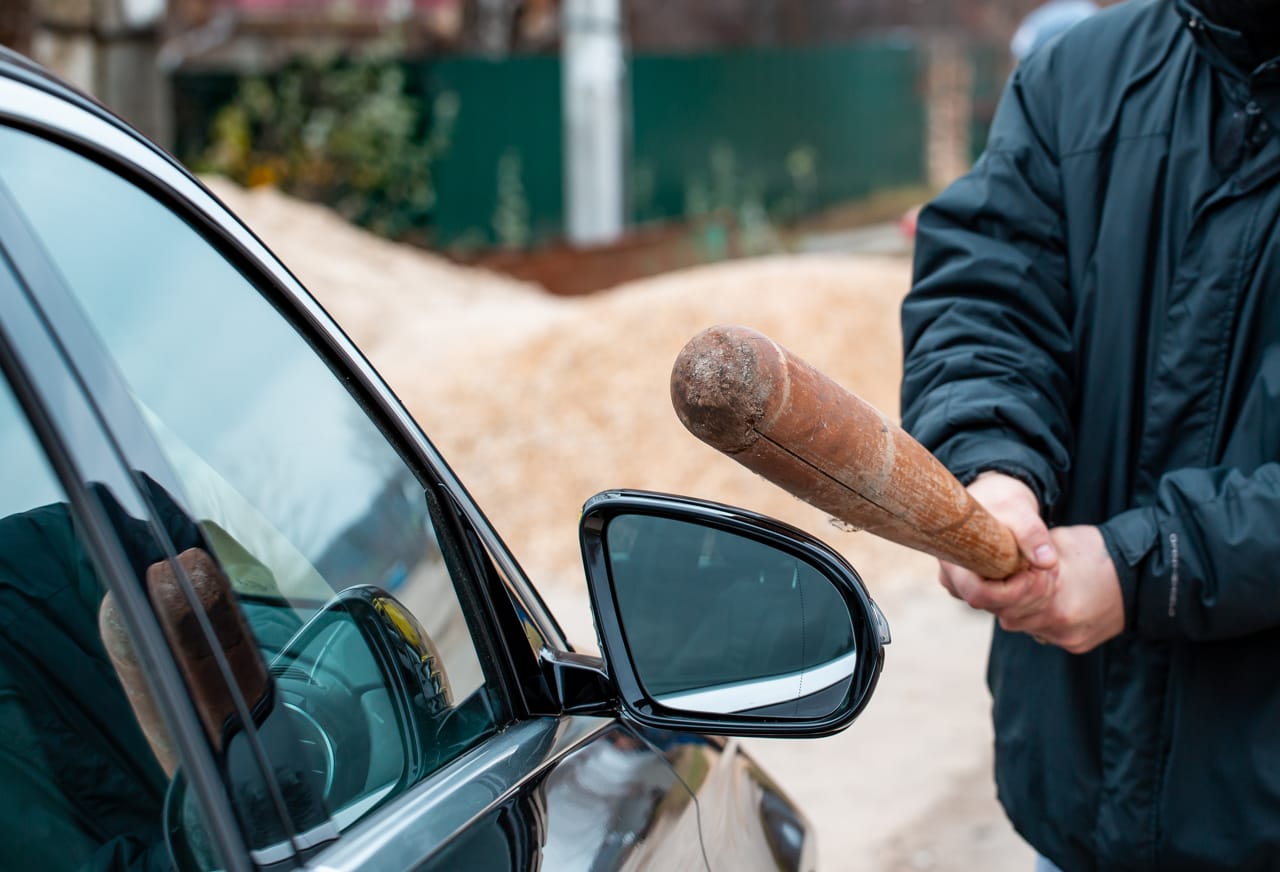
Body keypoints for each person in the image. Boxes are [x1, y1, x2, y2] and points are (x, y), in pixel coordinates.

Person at [900, 1, 1280, 869]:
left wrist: (1158, 566)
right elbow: (987, 297)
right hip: (1079, 811)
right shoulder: (1082, 75)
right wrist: (990, 469)